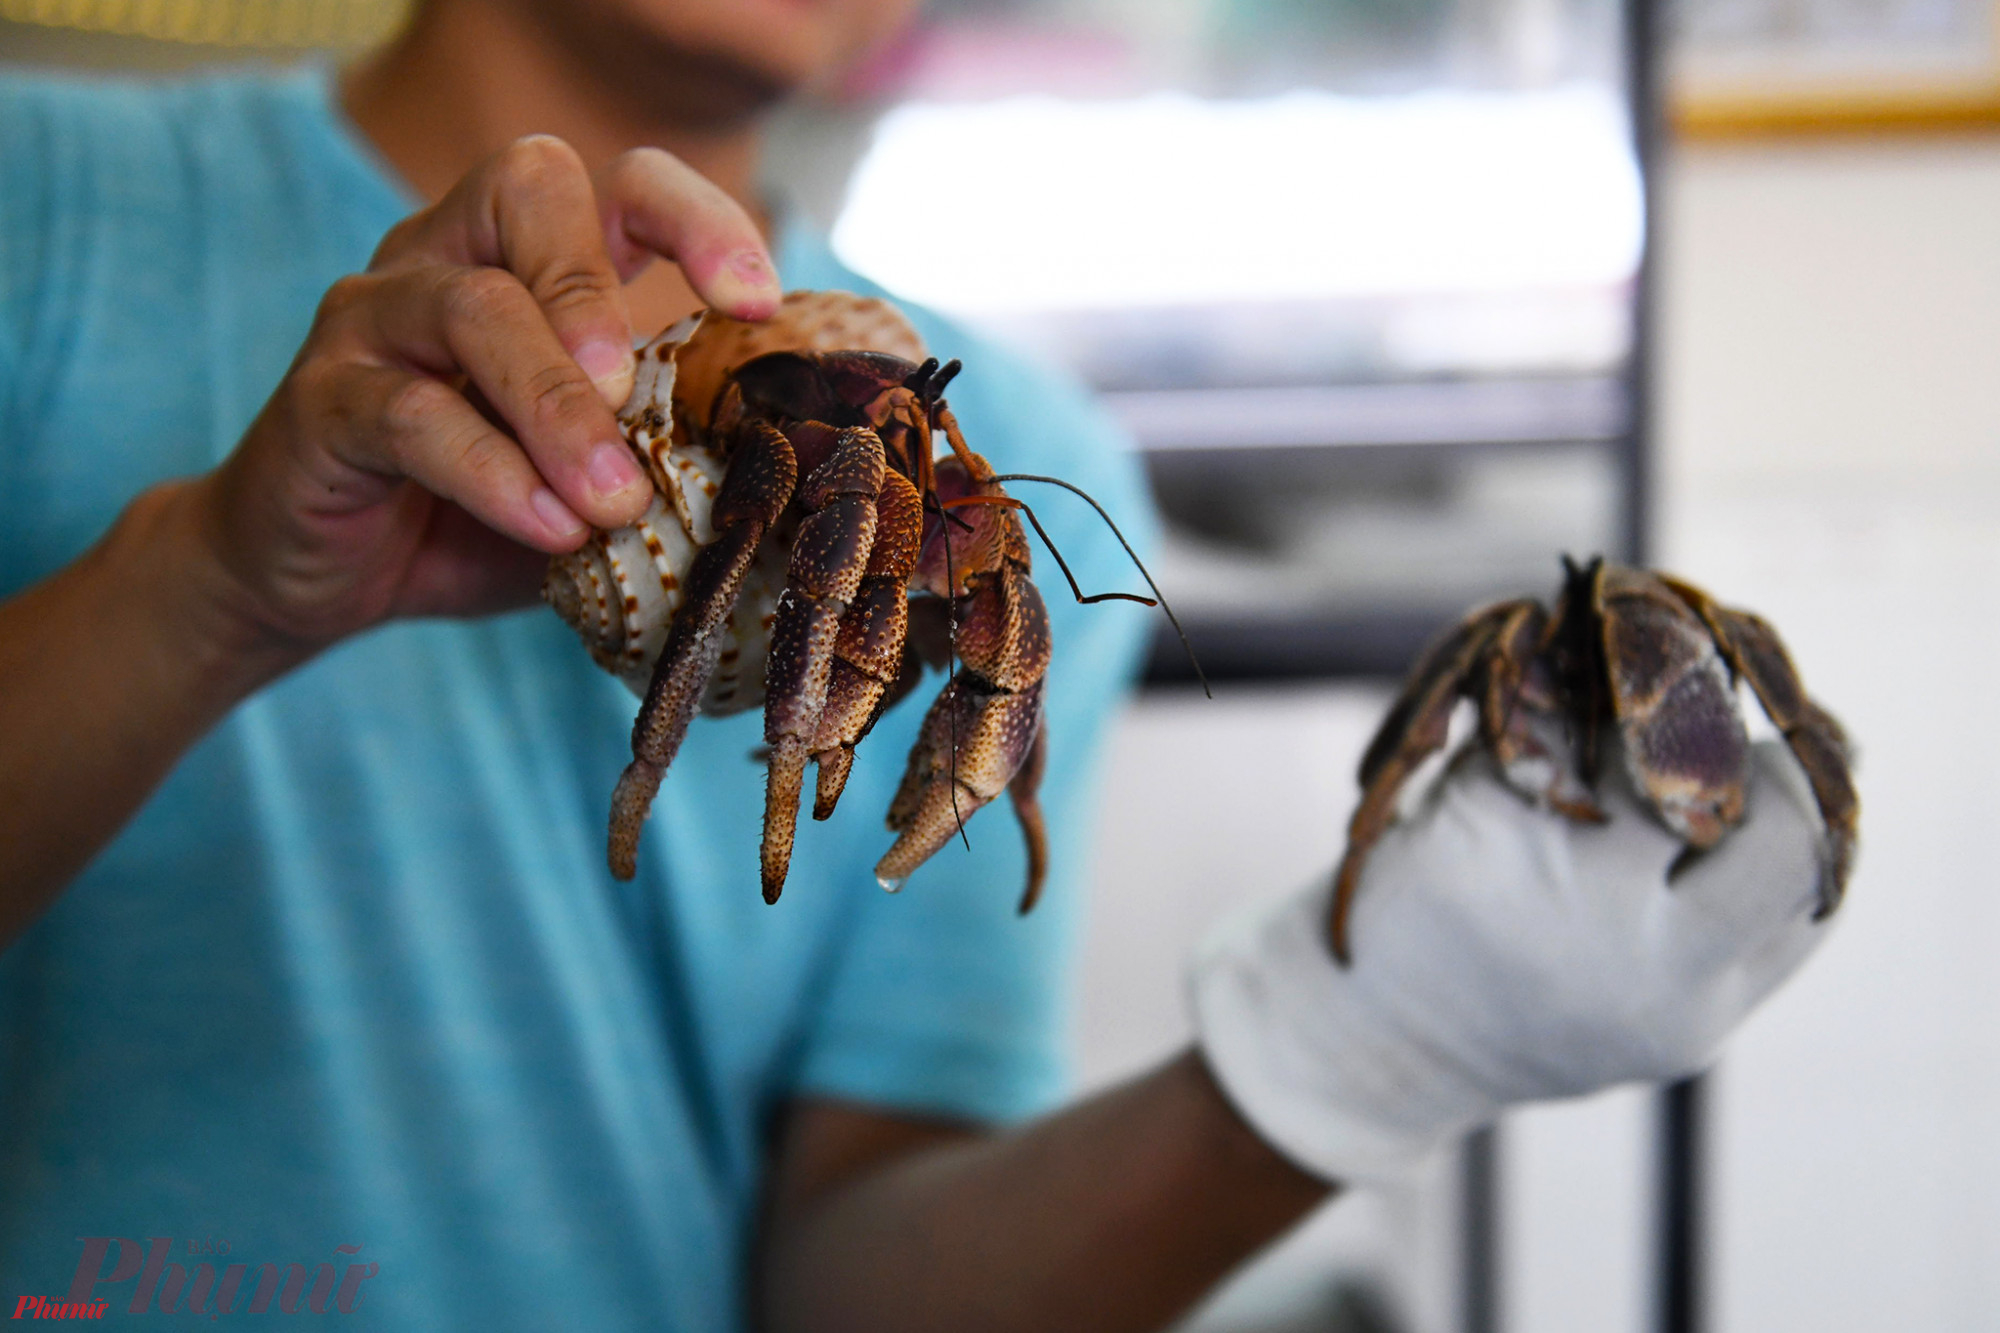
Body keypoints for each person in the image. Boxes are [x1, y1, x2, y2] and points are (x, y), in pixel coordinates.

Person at [0, 1, 1839, 1328]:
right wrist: (208, 583)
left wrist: (1356, 1048)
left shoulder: (1024, 438)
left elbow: (854, 1280)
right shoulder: (40, 208)